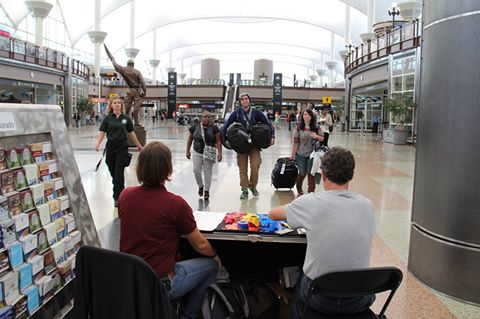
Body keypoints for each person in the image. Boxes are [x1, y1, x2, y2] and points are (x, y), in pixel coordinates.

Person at [268, 147, 375, 318]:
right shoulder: (367, 205)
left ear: (323, 175)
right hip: (359, 296)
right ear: (351, 176)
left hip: (320, 296)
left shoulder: (311, 202)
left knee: (300, 282)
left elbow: (273, 214)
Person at [119, 141, 221, 319]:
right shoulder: (176, 204)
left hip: (130, 283)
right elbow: (200, 244)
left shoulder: (125, 195)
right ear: (168, 169)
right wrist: (215, 256)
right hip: (161, 284)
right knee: (211, 266)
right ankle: (188, 315)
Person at [222, 93, 275, 199]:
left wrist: (272, 136)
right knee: (242, 168)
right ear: (240, 102)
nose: (244, 101)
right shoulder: (236, 113)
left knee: (255, 166)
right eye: (242, 99)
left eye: (246, 99)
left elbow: (268, 124)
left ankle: (253, 186)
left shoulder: (256, 112)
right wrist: (225, 140)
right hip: (241, 144)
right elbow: (226, 126)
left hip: (254, 144)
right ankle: (245, 189)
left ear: (249, 101)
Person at [95, 97, 142, 207]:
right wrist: (98, 143)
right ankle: (118, 186)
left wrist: (138, 144)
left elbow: (131, 133)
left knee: (119, 173)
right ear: (111, 105)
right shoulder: (108, 119)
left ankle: (118, 197)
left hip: (122, 147)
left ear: (121, 105)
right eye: (115, 103)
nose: (117, 105)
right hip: (111, 147)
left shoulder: (126, 118)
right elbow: (102, 132)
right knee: (113, 171)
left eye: (119, 103)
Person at [104, 44, 147, 126]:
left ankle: (125, 121)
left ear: (127, 64)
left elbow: (114, 63)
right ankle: (136, 122)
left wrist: (111, 57)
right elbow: (143, 83)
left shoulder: (123, 69)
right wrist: (144, 92)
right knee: (137, 107)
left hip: (130, 91)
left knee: (126, 107)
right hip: (137, 91)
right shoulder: (137, 72)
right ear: (133, 65)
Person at [186, 111, 223, 200]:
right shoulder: (195, 127)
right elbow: (190, 138)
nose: (207, 118)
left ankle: (206, 191)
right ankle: (200, 185)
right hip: (197, 152)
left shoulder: (214, 128)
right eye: (205, 116)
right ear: (201, 118)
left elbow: (218, 141)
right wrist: (187, 150)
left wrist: (220, 153)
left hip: (209, 152)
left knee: (208, 172)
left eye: (208, 117)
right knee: (196, 171)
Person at [290, 109, 324, 195]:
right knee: (302, 172)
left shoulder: (316, 127)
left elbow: (322, 138)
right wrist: (293, 154)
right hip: (300, 154)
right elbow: (295, 143)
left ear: (312, 117)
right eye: (305, 114)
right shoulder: (298, 128)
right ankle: (298, 185)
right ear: (302, 116)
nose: (306, 116)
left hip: (313, 154)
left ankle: (311, 192)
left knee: (311, 173)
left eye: (309, 115)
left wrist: (316, 136)